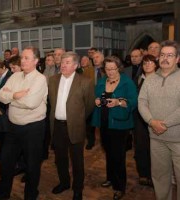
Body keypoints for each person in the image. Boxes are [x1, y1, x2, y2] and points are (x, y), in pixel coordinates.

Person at [0, 47, 47, 200]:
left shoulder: (40, 79)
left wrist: (11, 99)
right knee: (6, 162)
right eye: (22, 57)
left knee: (32, 165)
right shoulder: (15, 76)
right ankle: (3, 192)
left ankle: (30, 195)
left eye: (27, 58)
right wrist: (16, 95)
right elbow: (0, 96)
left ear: (36, 61)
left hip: (33, 128)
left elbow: (31, 102)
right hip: (13, 127)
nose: (23, 60)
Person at [48, 52, 95, 200]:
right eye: (62, 62)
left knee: (77, 161)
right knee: (60, 158)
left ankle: (77, 189)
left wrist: (78, 118)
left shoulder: (85, 82)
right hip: (57, 126)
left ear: (75, 65)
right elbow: (51, 102)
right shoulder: (53, 80)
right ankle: (64, 183)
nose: (63, 64)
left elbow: (89, 106)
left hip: (75, 126)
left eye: (67, 62)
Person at [138, 40, 180, 200]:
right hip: (156, 138)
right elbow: (141, 102)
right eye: (162, 55)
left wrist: (164, 124)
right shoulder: (150, 79)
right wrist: (151, 121)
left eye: (170, 55)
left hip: (178, 139)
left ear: (177, 59)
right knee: (160, 177)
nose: (165, 58)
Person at [91, 55, 137, 200]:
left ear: (119, 68)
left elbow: (133, 101)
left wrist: (119, 102)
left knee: (118, 156)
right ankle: (110, 178)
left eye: (113, 68)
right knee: (108, 153)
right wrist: (97, 101)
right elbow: (97, 96)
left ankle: (119, 187)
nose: (110, 71)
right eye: (107, 69)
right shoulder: (101, 81)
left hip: (119, 124)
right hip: (104, 122)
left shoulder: (126, 82)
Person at [133, 54, 158, 187]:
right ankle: (143, 174)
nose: (147, 65)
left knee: (154, 149)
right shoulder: (138, 79)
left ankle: (154, 176)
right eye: (145, 63)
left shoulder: (161, 79)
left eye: (150, 62)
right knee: (141, 147)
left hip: (155, 118)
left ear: (156, 64)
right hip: (139, 119)